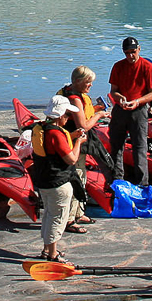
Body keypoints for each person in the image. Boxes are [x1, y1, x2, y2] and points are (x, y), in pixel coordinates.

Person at [30, 95, 84, 265]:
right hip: (58, 183)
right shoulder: (56, 133)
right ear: (60, 115)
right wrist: (79, 142)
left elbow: (53, 146)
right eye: (67, 115)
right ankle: (53, 253)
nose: (68, 118)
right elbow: (72, 159)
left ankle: (47, 249)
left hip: (44, 181)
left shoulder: (42, 128)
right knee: (57, 217)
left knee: (48, 214)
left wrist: (72, 136)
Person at [59, 65, 110, 232]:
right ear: (78, 81)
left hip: (73, 143)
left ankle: (79, 213)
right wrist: (99, 116)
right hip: (74, 144)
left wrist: (95, 109)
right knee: (77, 178)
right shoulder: (74, 98)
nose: (91, 85)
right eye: (88, 82)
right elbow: (83, 125)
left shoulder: (67, 91)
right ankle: (70, 220)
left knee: (82, 176)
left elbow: (80, 114)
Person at [108, 37, 152, 186]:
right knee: (116, 144)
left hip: (139, 110)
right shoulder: (118, 66)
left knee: (140, 146)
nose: (131, 56)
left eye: (133, 52)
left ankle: (142, 183)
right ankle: (117, 179)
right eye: (127, 53)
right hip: (121, 109)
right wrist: (121, 99)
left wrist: (137, 101)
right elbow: (113, 91)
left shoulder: (148, 67)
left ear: (139, 49)